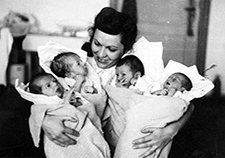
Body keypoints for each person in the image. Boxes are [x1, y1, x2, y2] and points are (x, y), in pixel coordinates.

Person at [41, 7, 194, 158]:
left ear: (126, 49)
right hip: (86, 138)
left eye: (111, 49)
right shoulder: (74, 63)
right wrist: (45, 120)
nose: (101, 54)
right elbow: (40, 96)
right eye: (97, 43)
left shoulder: (137, 67)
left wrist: (170, 131)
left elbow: (186, 104)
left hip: (125, 138)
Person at [15, 73, 110, 158]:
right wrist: (67, 105)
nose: (55, 84)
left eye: (55, 81)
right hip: (65, 140)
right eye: (48, 85)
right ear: (40, 95)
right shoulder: (45, 105)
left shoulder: (65, 95)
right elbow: (70, 116)